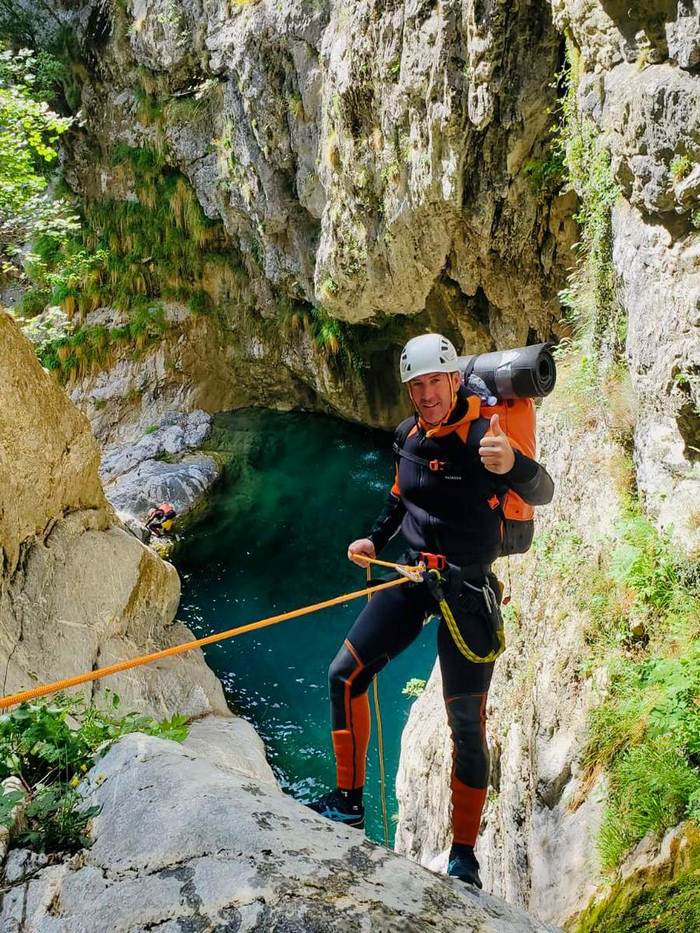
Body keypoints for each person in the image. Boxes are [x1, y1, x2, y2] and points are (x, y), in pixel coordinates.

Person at [307, 333, 554, 888]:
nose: (425, 394)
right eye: (415, 386)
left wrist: (513, 463)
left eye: (434, 382)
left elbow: (542, 493)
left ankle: (464, 856)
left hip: (467, 586)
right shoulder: (408, 437)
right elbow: (401, 498)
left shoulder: (485, 437)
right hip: (414, 574)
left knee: (465, 723)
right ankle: (348, 803)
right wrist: (374, 540)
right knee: (344, 675)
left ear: (454, 380)